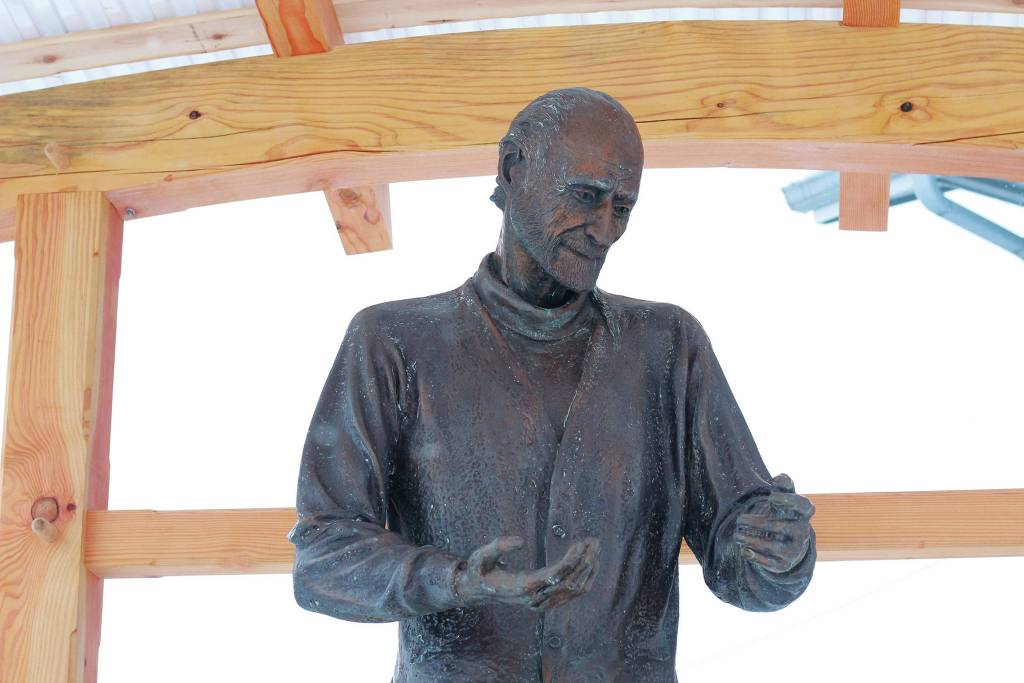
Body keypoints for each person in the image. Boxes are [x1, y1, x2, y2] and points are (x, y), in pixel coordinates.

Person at [288, 87, 816, 682]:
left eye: (623, 207)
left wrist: (777, 551)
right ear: (513, 170)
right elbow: (323, 560)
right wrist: (456, 582)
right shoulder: (392, 342)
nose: (605, 229)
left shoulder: (669, 346)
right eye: (586, 196)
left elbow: (742, 570)